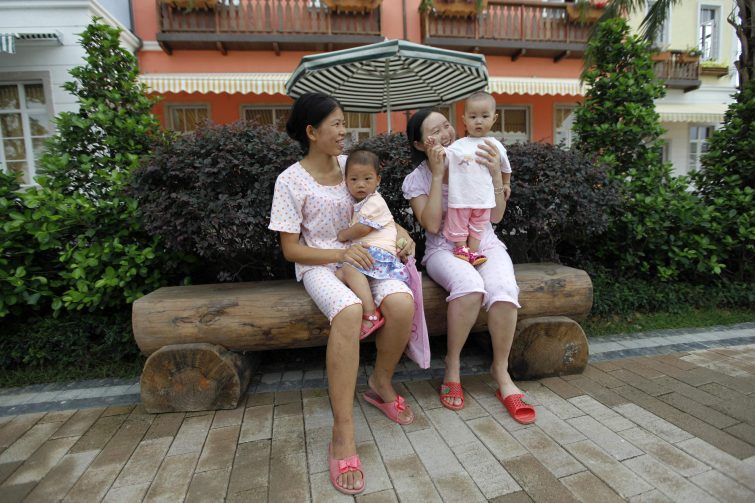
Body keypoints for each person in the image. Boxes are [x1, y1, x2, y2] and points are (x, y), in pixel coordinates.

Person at [268, 93, 416, 495]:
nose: (343, 130)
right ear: (312, 132)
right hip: (318, 264)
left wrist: (401, 235)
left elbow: (376, 210)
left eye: (343, 122)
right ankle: (342, 432)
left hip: (364, 259)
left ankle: (381, 384)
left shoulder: (352, 166)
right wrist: (338, 253)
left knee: (402, 303)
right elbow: (291, 249)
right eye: (335, 124)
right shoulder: (290, 180)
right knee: (350, 311)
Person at [401, 108, 536, 425]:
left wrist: (493, 176)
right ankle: (452, 365)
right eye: (434, 132)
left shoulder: (476, 155)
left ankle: (500, 370)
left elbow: (497, 217)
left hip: (484, 242)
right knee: (470, 287)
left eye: (447, 125)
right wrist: (437, 175)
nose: (446, 134)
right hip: (443, 249)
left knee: (503, 290)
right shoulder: (417, 178)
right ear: (421, 145)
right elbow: (433, 225)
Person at [336, 149, 409, 339]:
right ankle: (364, 295)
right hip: (374, 252)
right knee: (341, 273)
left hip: (381, 253)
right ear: (346, 181)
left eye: (367, 179)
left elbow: (362, 229)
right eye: (354, 180)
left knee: (350, 268)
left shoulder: (375, 202)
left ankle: (370, 313)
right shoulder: (364, 201)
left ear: (378, 180)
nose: (360, 184)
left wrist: (343, 234)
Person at [439, 91, 512, 266]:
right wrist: (436, 149)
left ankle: (473, 251)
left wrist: (506, 183)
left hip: (483, 199)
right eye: (473, 117)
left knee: (478, 226)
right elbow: (444, 158)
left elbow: (505, 168)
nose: (478, 121)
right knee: (458, 223)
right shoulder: (458, 145)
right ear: (464, 119)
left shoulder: (496, 146)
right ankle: (461, 248)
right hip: (461, 198)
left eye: (484, 116)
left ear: (494, 118)